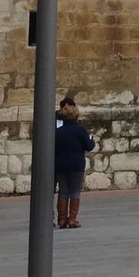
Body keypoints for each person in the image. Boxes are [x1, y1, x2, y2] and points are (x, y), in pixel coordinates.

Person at [55, 97, 94, 229]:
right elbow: (88, 146)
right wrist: (92, 139)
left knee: (63, 191)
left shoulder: (58, 132)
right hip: (76, 165)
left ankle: (61, 219)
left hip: (60, 164)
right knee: (75, 192)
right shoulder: (80, 130)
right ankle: (72, 219)